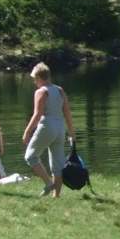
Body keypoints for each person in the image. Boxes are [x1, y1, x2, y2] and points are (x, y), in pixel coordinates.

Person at [22, 62, 75, 198]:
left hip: (47, 125)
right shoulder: (59, 90)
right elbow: (67, 112)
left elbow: (37, 114)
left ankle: (48, 183)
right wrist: (71, 133)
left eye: (34, 79)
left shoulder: (41, 91)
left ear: (39, 77)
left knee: (30, 156)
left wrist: (27, 131)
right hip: (60, 127)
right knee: (58, 164)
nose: (34, 82)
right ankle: (56, 196)